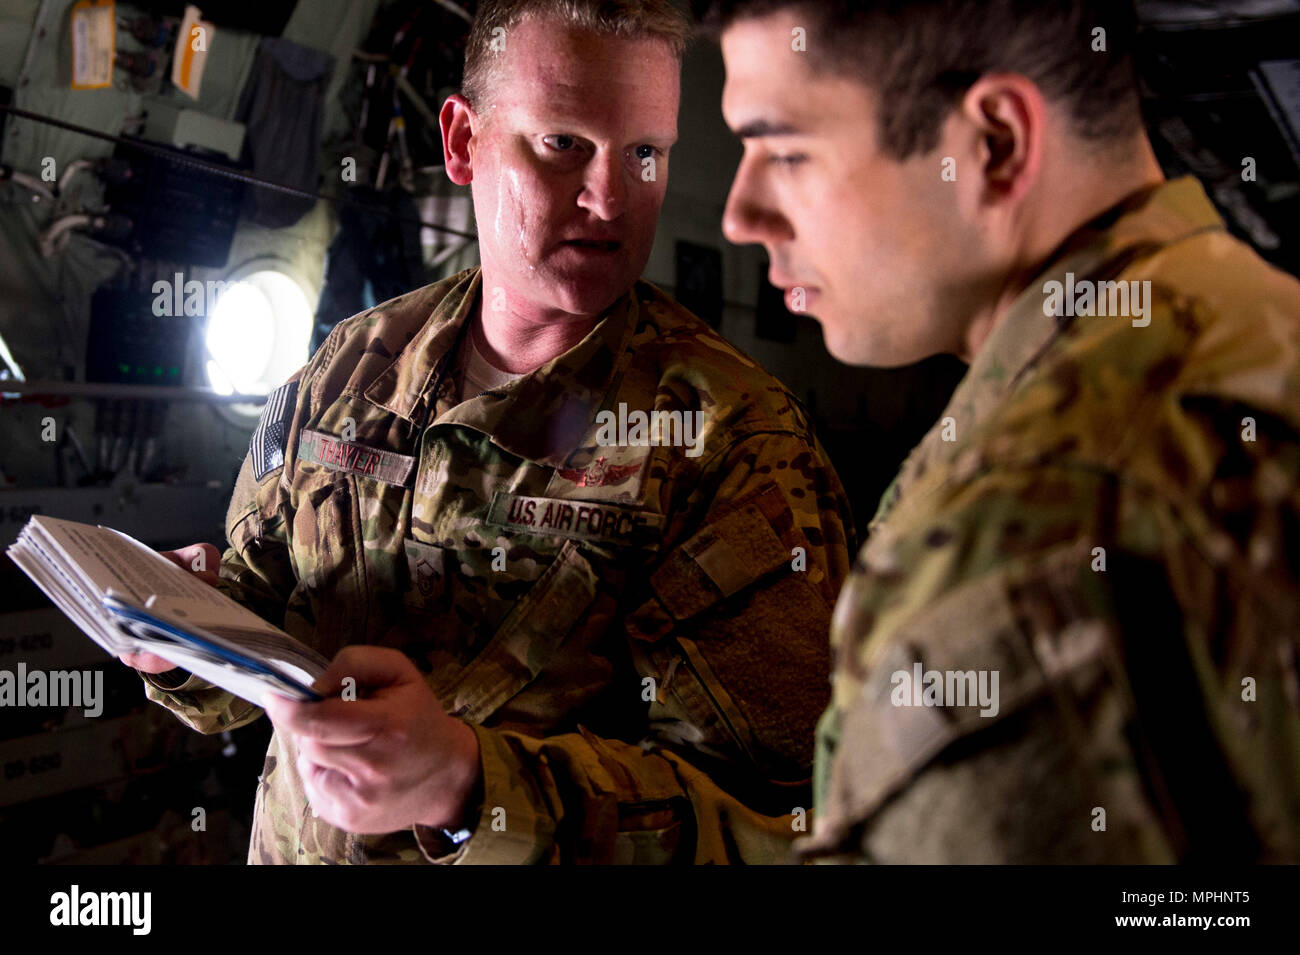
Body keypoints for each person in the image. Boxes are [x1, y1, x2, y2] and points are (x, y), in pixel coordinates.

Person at [121, 0, 854, 864]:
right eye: (564, 144)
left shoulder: (731, 445)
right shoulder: (353, 366)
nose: (610, 198)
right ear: (463, 141)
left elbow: (780, 830)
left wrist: (471, 788)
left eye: (645, 153)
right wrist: (186, 635)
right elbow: (270, 607)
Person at [696, 0, 1300, 862]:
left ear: (995, 146)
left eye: (786, 150)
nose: (740, 213)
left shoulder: (1025, 522)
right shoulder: (1255, 327)